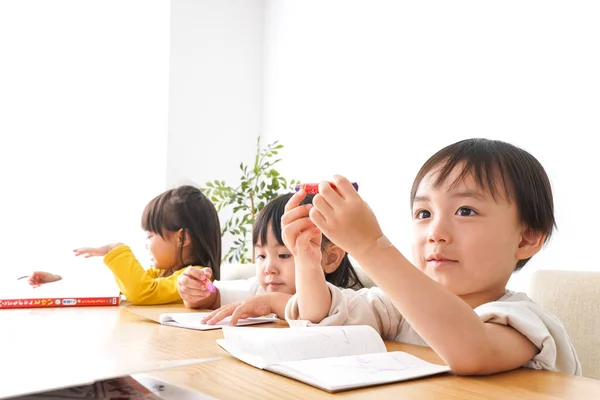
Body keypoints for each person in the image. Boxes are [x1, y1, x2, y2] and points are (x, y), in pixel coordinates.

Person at [280, 138, 581, 376]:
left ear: (526, 238)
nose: (436, 232)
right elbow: (325, 316)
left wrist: (371, 247)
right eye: (424, 213)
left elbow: (473, 350)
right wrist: (308, 264)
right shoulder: (397, 308)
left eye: (466, 211)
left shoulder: (527, 321)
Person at [177, 193, 364, 324]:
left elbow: (317, 317)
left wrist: (273, 302)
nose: (269, 268)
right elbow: (214, 296)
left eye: (284, 255)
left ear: (330, 258)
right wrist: (199, 289)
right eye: (261, 255)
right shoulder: (258, 289)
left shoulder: (346, 303)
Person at [30, 185, 222, 305]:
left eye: (149, 236)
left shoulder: (194, 278)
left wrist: (117, 249)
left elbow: (143, 292)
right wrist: (58, 281)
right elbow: (120, 287)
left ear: (182, 238)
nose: (146, 244)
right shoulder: (163, 273)